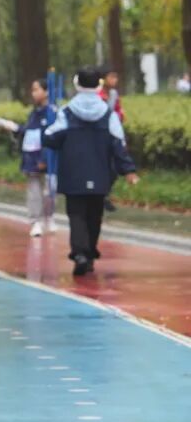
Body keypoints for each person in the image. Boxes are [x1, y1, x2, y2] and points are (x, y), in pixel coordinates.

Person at [43, 67, 139, 276]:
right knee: (95, 215)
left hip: (73, 173)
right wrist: (129, 170)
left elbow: (50, 138)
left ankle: (80, 254)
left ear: (77, 83)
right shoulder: (108, 114)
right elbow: (118, 145)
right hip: (100, 172)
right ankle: (89, 253)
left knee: (76, 214)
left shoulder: (66, 113)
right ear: (99, 85)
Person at [0, 78, 58, 236]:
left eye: (37, 89)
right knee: (34, 191)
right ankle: (35, 221)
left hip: (48, 158)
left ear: (46, 92)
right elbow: (29, 131)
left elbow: (52, 135)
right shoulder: (34, 113)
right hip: (31, 157)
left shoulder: (53, 112)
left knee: (50, 190)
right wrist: (12, 127)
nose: (33, 93)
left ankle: (49, 217)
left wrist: (45, 157)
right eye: (33, 90)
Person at [97, 64, 124, 213]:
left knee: (113, 168)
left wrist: (118, 118)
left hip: (111, 135)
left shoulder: (114, 94)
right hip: (98, 136)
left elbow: (119, 111)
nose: (115, 80)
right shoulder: (96, 94)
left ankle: (104, 194)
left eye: (116, 77)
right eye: (111, 77)